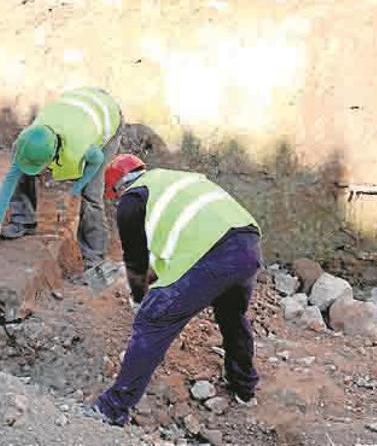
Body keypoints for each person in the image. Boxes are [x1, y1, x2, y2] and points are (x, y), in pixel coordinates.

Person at [89, 154, 262, 426]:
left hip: (213, 254)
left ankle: (112, 408)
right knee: (231, 317)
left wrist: (140, 301)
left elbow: (135, 259)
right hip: (247, 243)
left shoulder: (131, 200)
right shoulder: (173, 179)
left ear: (116, 189)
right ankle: (244, 387)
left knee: (152, 321)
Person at [0, 87, 122, 271]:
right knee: (23, 171)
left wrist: (75, 190)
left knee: (91, 194)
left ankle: (94, 260)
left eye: (40, 168)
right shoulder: (27, 141)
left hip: (106, 115)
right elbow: (11, 178)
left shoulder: (81, 149)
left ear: (52, 157)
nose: (39, 172)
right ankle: (23, 220)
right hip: (73, 107)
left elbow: (96, 161)